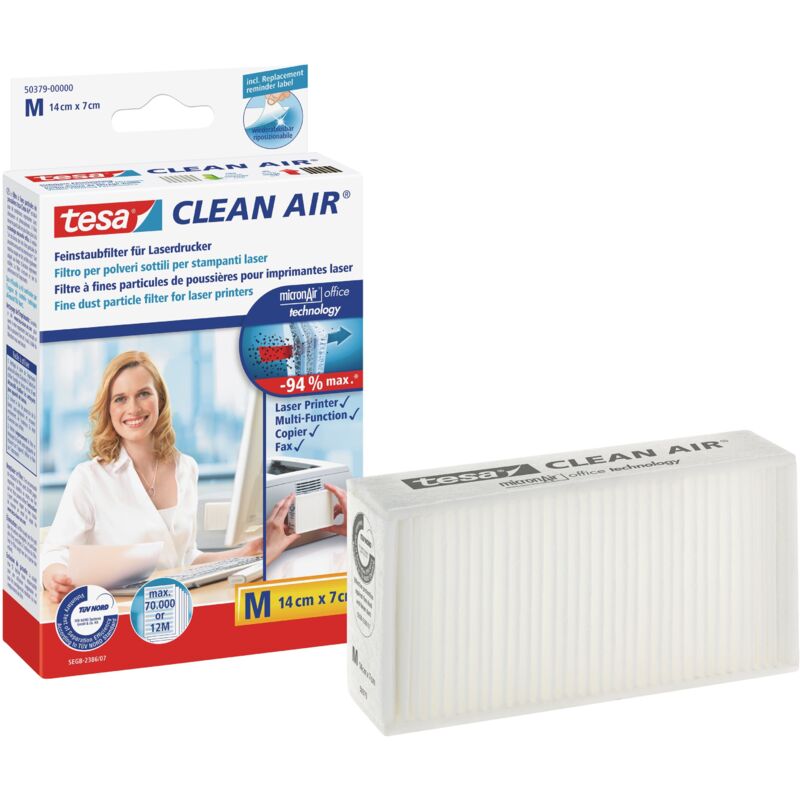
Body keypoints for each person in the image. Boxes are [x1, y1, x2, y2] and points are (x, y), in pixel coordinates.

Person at [41, 351, 298, 603]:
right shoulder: (89, 478)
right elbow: (54, 553)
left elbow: (185, 558)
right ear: (108, 409)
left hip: (174, 604)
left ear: (160, 400)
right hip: (118, 609)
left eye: (144, 394)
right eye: (120, 399)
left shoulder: (186, 468)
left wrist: (244, 553)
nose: (133, 408)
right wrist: (55, 576)